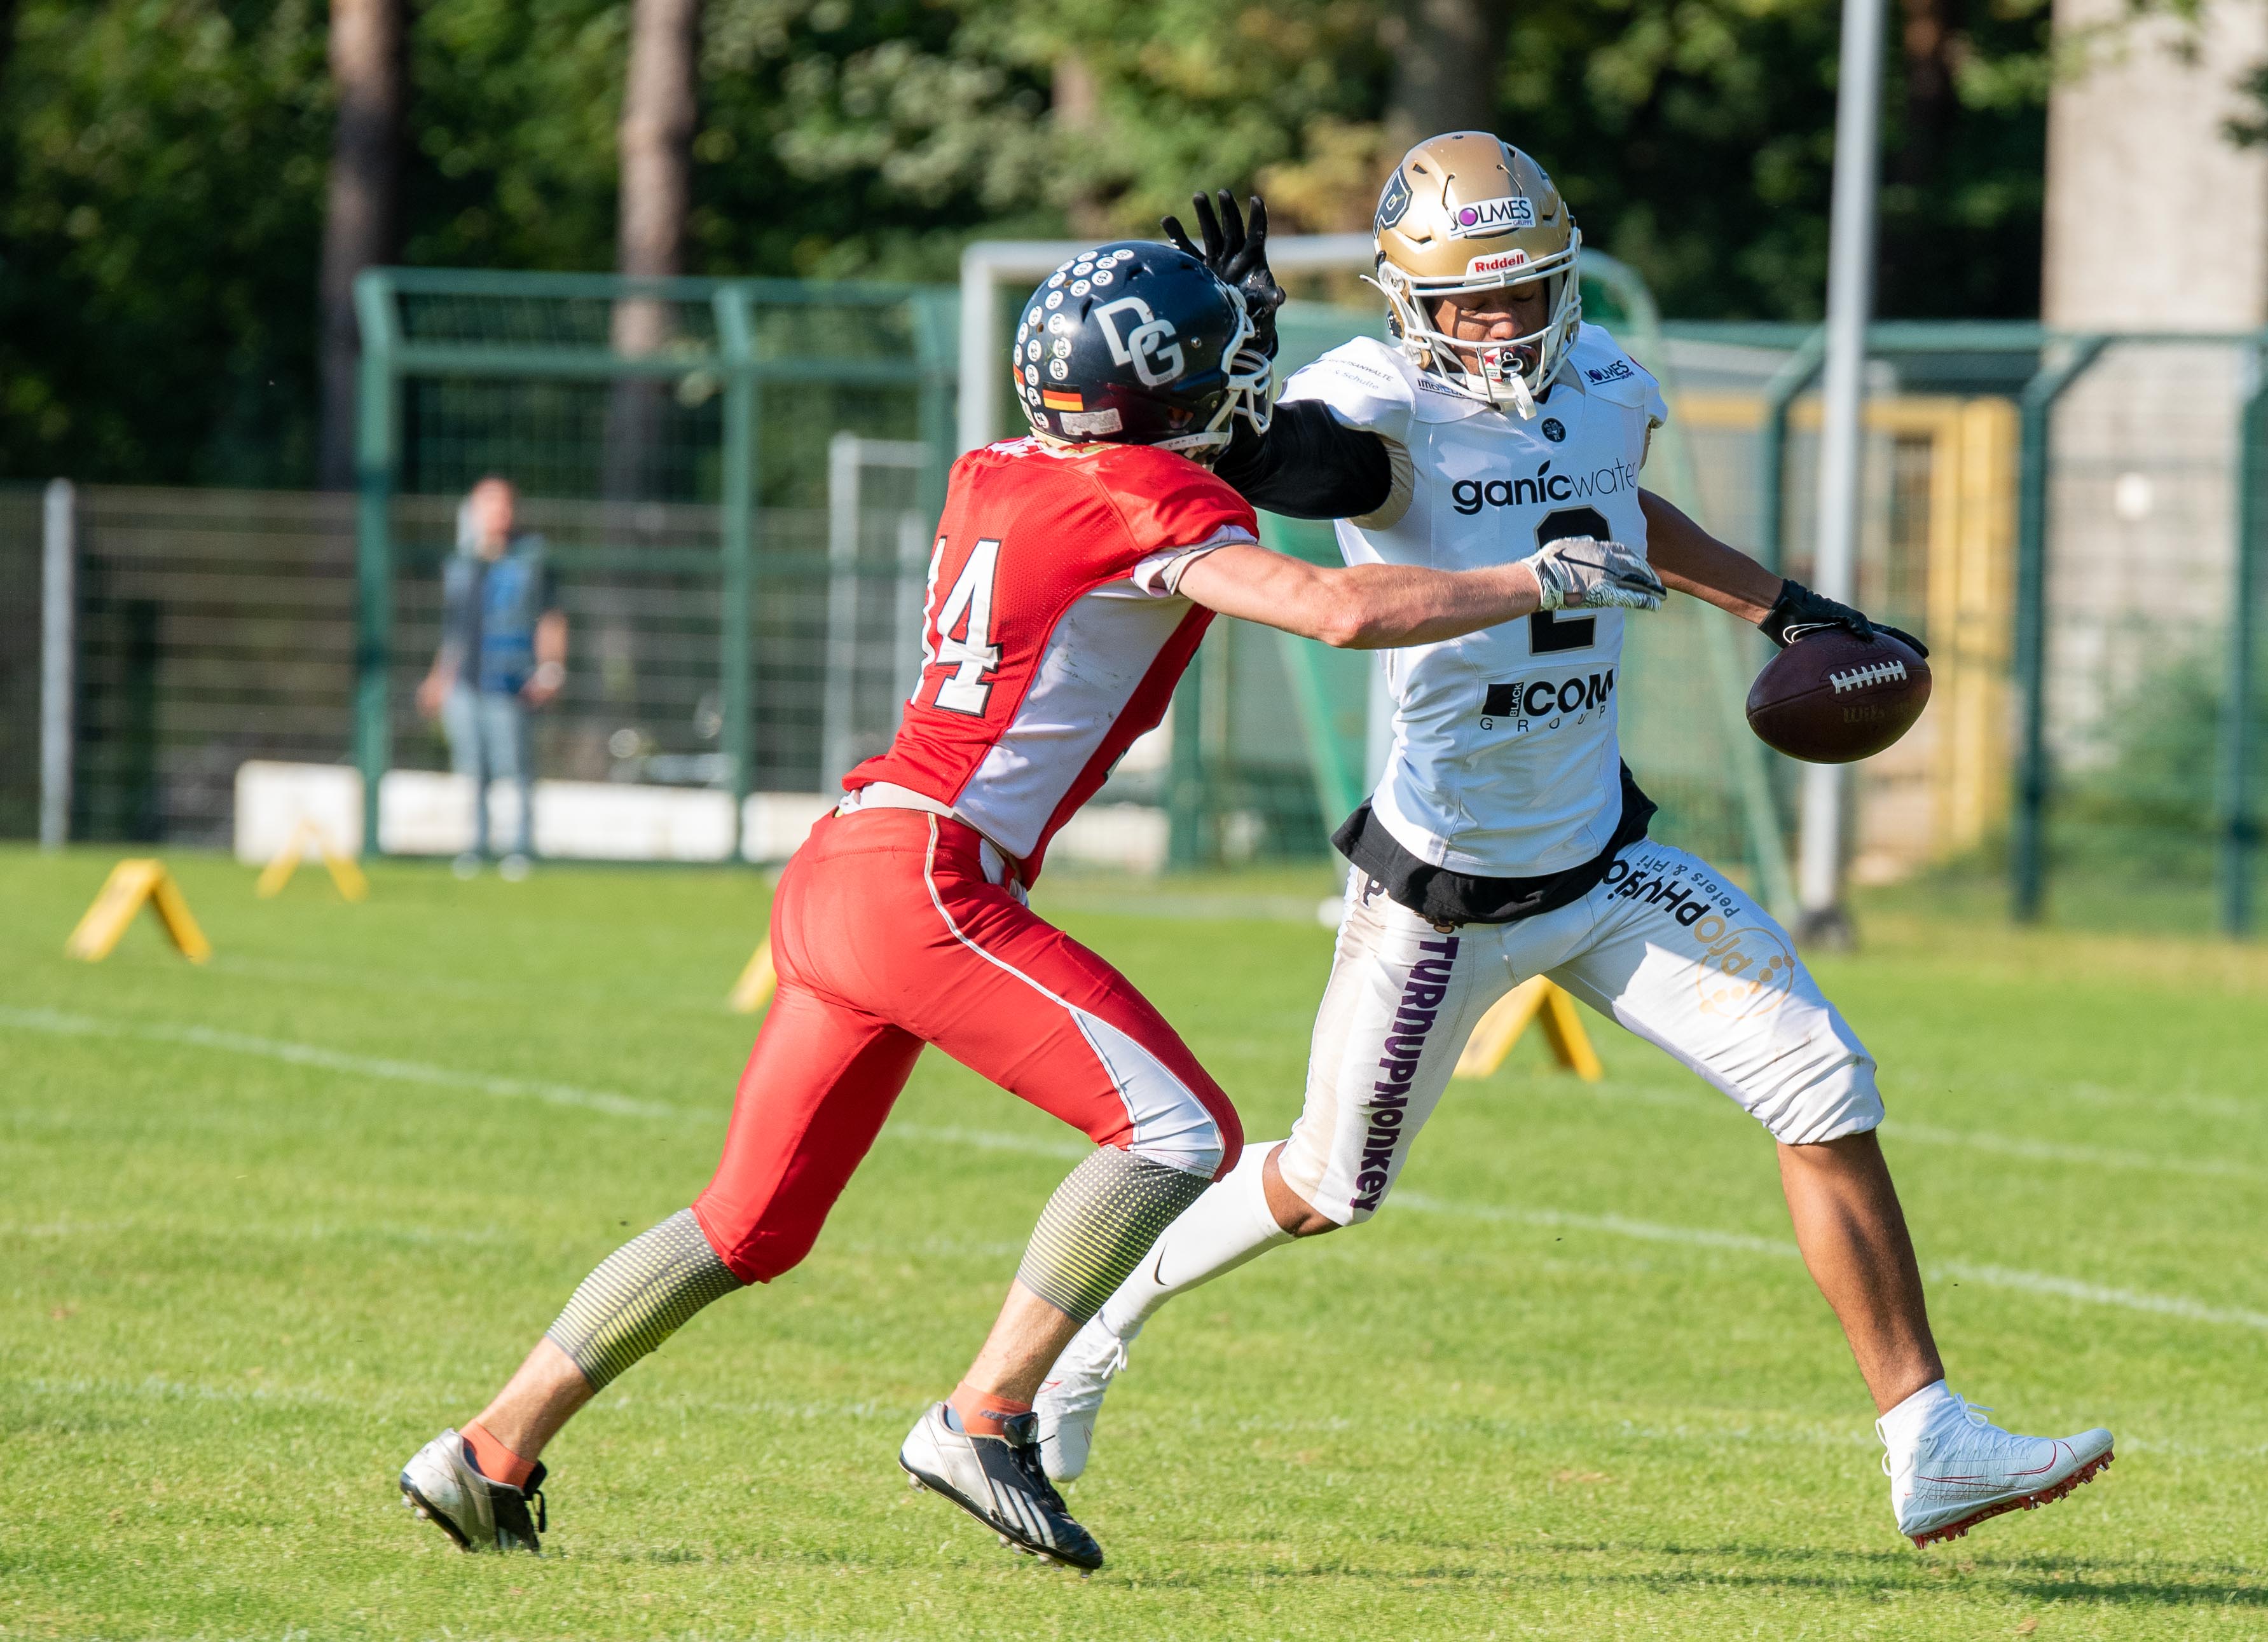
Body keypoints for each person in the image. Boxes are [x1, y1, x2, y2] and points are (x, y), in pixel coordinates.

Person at [395, 240, 1666, 1570]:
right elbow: (1329, 609)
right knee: (1181, 1133)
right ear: (1161, 402)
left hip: (846, 860)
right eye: (1226, 367)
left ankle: (487, 1448)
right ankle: (982, 1415)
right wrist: (1538, 575)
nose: (1251, 381)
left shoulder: (996, 466)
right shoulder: (1140, 499)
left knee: (743, 1225)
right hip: (930, 878)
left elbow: (1192, 464)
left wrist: (1205, 366)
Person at [1034, 144, 2116, 1552]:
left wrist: (1785, 609)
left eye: (1523, 295)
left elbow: (1619, 510)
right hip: (1444, 889)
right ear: (1408, 302)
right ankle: (1084, 1340)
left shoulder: (1603, 378)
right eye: (1468, 306)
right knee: (1323, 1183)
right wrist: (1233, 394)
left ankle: (1929, 1439)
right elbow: (1306, 467)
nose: (1499, 326)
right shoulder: (1380, 400)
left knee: (1820, 1082)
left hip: (1603, 862)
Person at [416, 475, 566, 880]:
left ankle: (520, 848)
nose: (496, 513)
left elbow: (551, 617)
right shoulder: (462, 562)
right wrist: (438, 678)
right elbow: (455, 632)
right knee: (473, 768)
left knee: (515, 767)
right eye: (487, 504)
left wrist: (551, 669)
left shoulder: (532, 558)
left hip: (511, 680)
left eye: (503, 504)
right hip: (467, 682)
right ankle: (476, 847)